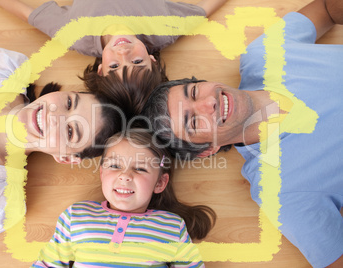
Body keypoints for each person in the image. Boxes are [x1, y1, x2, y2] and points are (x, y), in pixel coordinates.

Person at [141, 0, 343, 267]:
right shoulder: (280, 191)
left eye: (193, 92)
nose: (208, 104)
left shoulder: (263, 55)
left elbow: (327, 9)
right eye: (193, 122)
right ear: (207, 149)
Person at [0, 45, 122, 245]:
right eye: (69, 103)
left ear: (65, 157)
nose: (54, 115)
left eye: (70, 131)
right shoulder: (6, 69)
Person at [0, 0, 227, 117]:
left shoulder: (75, 34)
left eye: (115, 66)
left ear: (101, 70)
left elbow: (24, 11)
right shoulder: (165, 28)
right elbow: (204, 9)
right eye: (137, 63)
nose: (124, 53)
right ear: (152, 60)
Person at [32, 129, 216, 267]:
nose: (125, 176)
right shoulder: (76, 216)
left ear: (160, 182)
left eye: (141, 168)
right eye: (114, 166)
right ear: (102, 174)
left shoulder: (172, 226)